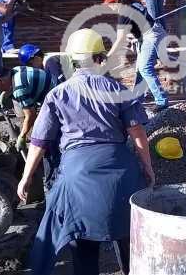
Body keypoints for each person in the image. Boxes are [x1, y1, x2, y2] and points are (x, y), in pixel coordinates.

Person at [19, 28, 154, 275]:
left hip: (77, 177)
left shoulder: (57, 94)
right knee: (129, 237)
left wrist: (26, 178)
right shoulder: (118, 90)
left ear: (72, 61)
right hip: (121, 175)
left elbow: (39, 142)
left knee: (81, 241)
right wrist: (147, 167)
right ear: (100, 57)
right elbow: (137, 133)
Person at [0, 60, 58, 191]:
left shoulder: (20, 89)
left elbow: (31, 115)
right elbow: (12, 85)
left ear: (0, 81)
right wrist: (3, 96)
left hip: (57, 102)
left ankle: (51, 183)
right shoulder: (15, 71)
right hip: (53, 91)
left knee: (47, 143)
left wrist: (22, 136)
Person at [103, 0, 169, 111]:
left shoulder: (124, 11)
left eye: (110, 4)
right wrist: (135, 37)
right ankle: (137, 102)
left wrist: (107, 56)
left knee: (145, 68)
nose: (110, 7)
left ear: (117, 1)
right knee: (140, 71)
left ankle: (161, 101)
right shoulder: (130, 3)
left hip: (151, 35)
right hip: (151, 34)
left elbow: (120, 39)